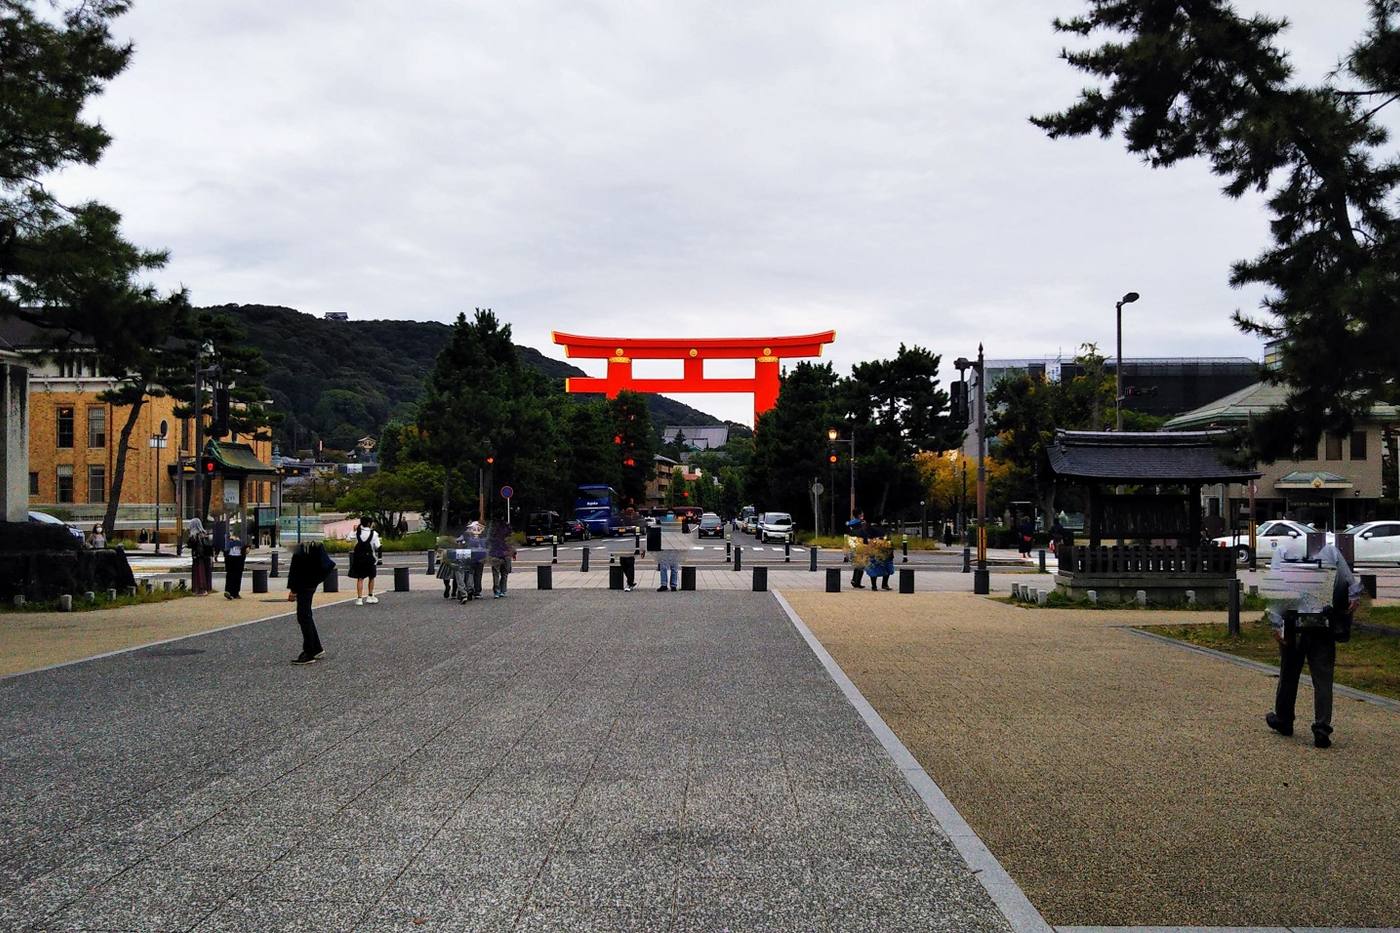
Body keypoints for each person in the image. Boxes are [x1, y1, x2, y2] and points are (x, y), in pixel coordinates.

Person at [1265, 542, 1360, 749]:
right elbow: (1350, 584)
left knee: (1289, 673)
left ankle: (1284, 719)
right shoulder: (1331, 550)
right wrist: (1351, 601)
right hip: (1323, 622)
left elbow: (1276, 587)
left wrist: (1275, 622)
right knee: (1323, 678)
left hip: (1293, 621)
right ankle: (1322, 727)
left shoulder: (1283, 550)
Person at [286, 542, 332, 665]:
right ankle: (316, 647)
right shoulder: (315, 543)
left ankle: (309, 651)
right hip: (312, 580)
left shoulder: (301, 544)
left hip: (304, 581)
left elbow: (296, 566)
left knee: (303, 616)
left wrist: (293, 589)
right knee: (306, 615)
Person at [348, 517, 381, 606]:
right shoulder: (374, 533)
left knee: (360, 578)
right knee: (371, 577)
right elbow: (378, 546)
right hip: (370, 558)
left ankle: (359, 598)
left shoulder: (357, 532)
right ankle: (370, 596)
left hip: (359, 558)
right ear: (369, 523)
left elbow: (348, 538)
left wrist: (354, 530)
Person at [486, 517, 516, 598]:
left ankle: (497, 591)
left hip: (495, 553)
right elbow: (511, 541)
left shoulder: (492, 529)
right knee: (504, 573)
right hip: (506, 553)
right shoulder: (508, 528)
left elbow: (488, 540)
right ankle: (503, 590)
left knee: (496, 573)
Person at [187, 518, 213, 595]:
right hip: (206, 556)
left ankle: (199, 589)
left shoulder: (194, 535)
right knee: (205, 573)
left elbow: (190, 544)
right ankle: (206, 589)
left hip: (198, 556)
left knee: (198, 573)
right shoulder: (205, 534)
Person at [847, 511, 870, 589]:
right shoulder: (861, 524)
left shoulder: (850, 523)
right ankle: (857, 582)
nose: (863, 515)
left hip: (853, 545)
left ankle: (855, 580)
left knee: (857, 564)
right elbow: (864, 534)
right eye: (862, 514)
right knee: (861, 565)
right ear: (859, 515)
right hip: (861, 545)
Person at [223, 528, 246, 600]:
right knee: (233, 575)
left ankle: (233, 592)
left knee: (233, 575)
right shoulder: (229, 540)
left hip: (235, 558)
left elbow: (245, 547)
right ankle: (232, 592)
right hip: (234, 558)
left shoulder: (239, 540)